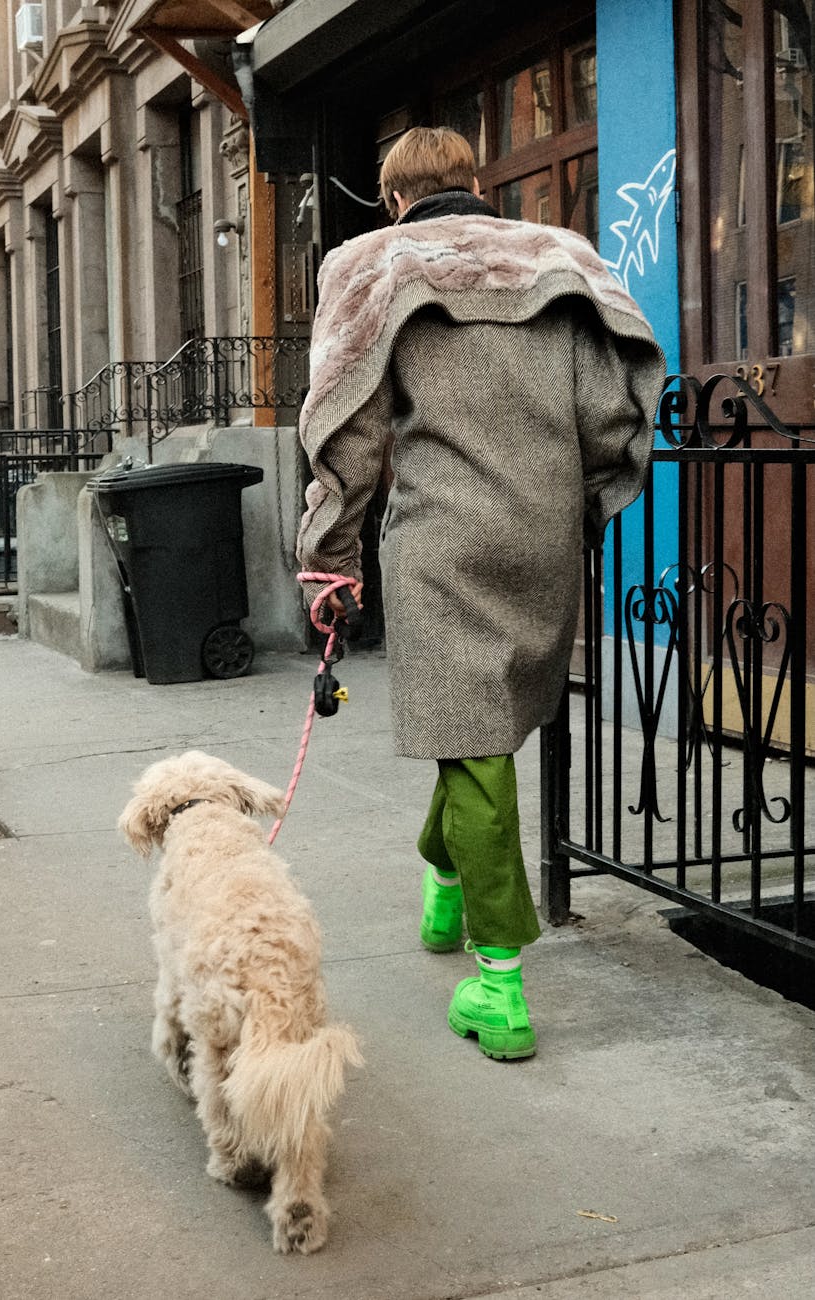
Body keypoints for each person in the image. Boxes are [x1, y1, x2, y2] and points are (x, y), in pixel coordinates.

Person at [296, 126, 666, 1060]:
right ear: (474, 183)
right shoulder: (559, 260)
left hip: (439, 541)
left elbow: (352, 432)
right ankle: (444, 877)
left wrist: (330, 560)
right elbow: (614, 410)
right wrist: (575, 507)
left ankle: (497, 984)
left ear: (390, 199)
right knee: (479, 735)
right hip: (542, 532)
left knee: (473, 745)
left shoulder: (372, 267)